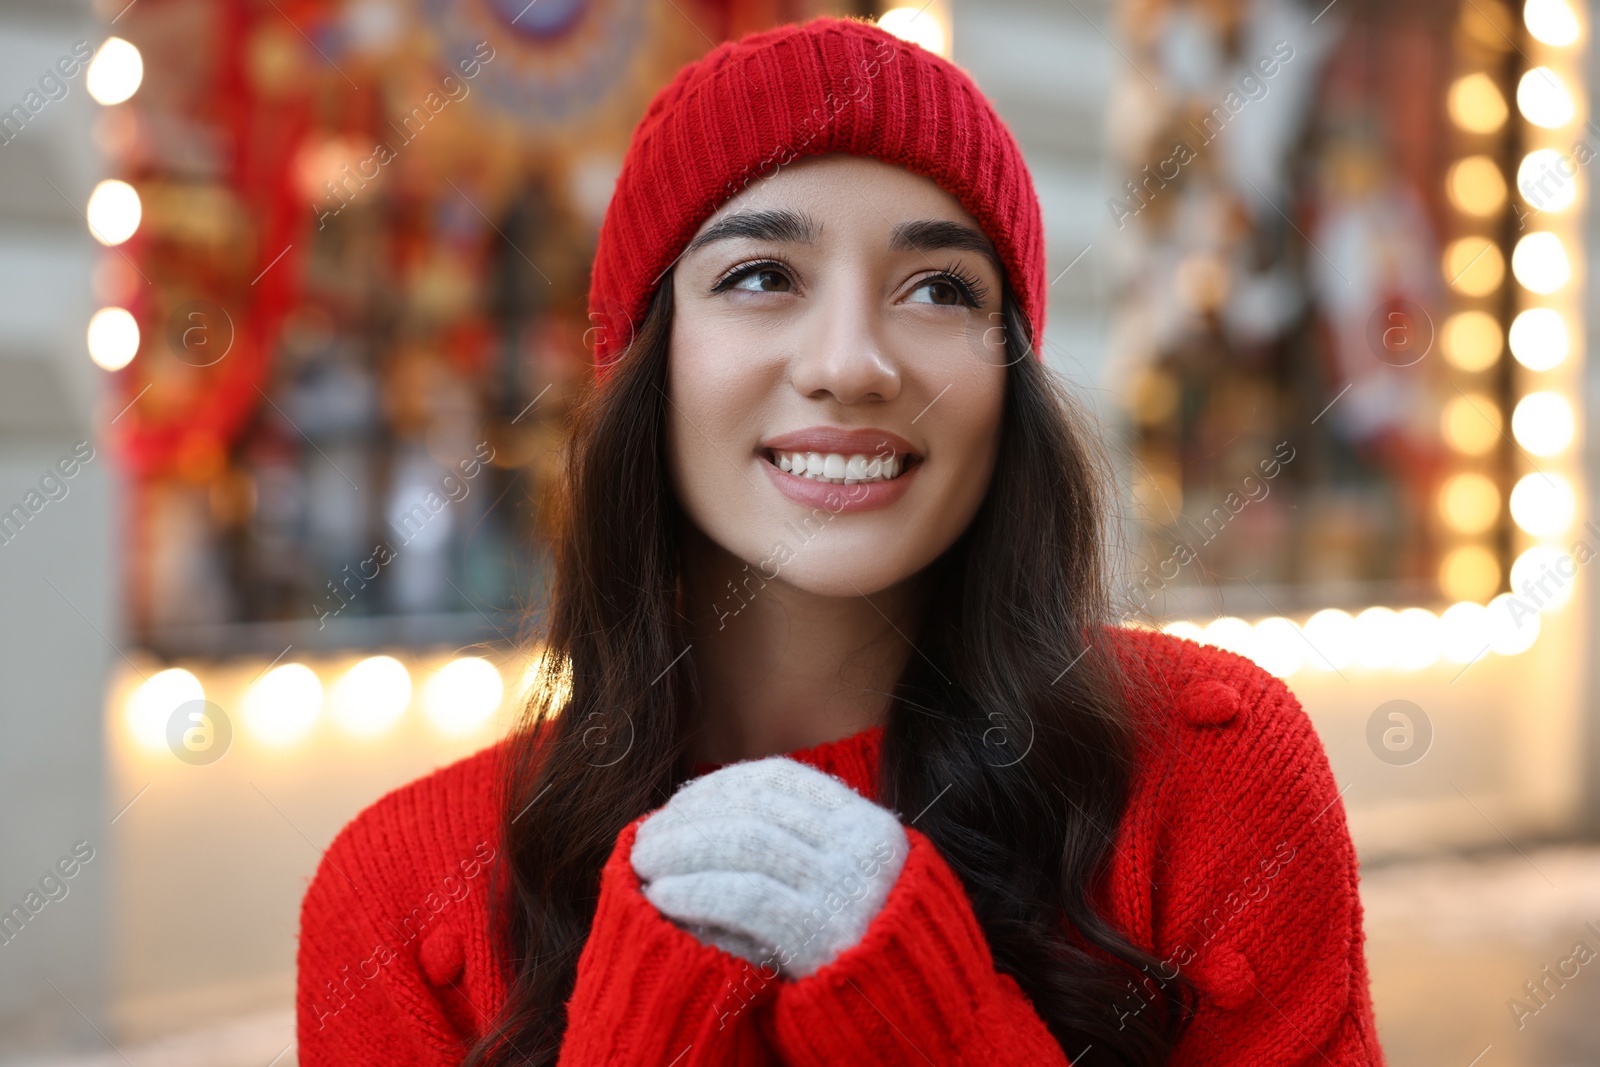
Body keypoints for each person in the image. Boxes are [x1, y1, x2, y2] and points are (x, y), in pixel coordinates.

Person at [296, 15, 1383, 1066]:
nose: (853, 361)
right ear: (647, 365)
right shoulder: (402, 898)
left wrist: (924, 1009)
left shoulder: (1209, 776)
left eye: (938, 288)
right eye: (761, 275)